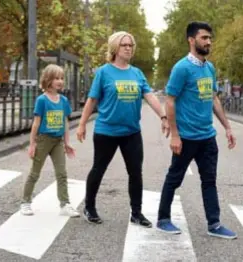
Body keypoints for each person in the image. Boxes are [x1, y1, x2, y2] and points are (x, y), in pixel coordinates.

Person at [76, 31, 169, 226]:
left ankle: (136, 212)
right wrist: (82, 124)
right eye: (124, 45)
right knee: (98, 169)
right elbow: (92, 99)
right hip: (106, 132)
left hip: (131, 133)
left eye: (130, 45)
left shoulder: (136, 73)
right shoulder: (103, 72)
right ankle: (89, 207)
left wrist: (163, 115)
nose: (128, 48)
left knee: (135, 173)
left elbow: (150, 96)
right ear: (115, 48)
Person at [156, 22, 237, 239]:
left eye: (210, 38)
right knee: (174, 178)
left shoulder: (209, 68)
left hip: (207, 137)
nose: (208, 42)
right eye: (203, 38)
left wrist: (227, 127)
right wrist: (175, 134)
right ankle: (163, 219)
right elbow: (170, 100)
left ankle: (214, 224)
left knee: (209, 180)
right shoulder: (182, 68)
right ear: (191, 40)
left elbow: (213, 98)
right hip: (186, 137)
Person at [21, 64, 79, 217]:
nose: (60, 81)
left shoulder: (63, 100)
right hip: (43, 140)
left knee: (62, 173)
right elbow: (36, 123)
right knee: (35, 173)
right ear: (48, 80)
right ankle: (25, 202)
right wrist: (32, 144)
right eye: (56, 78)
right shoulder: (42, 100)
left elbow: (66, 123)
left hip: (58, 141)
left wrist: (67, 143)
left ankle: (65, 204)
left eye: (61, 78)